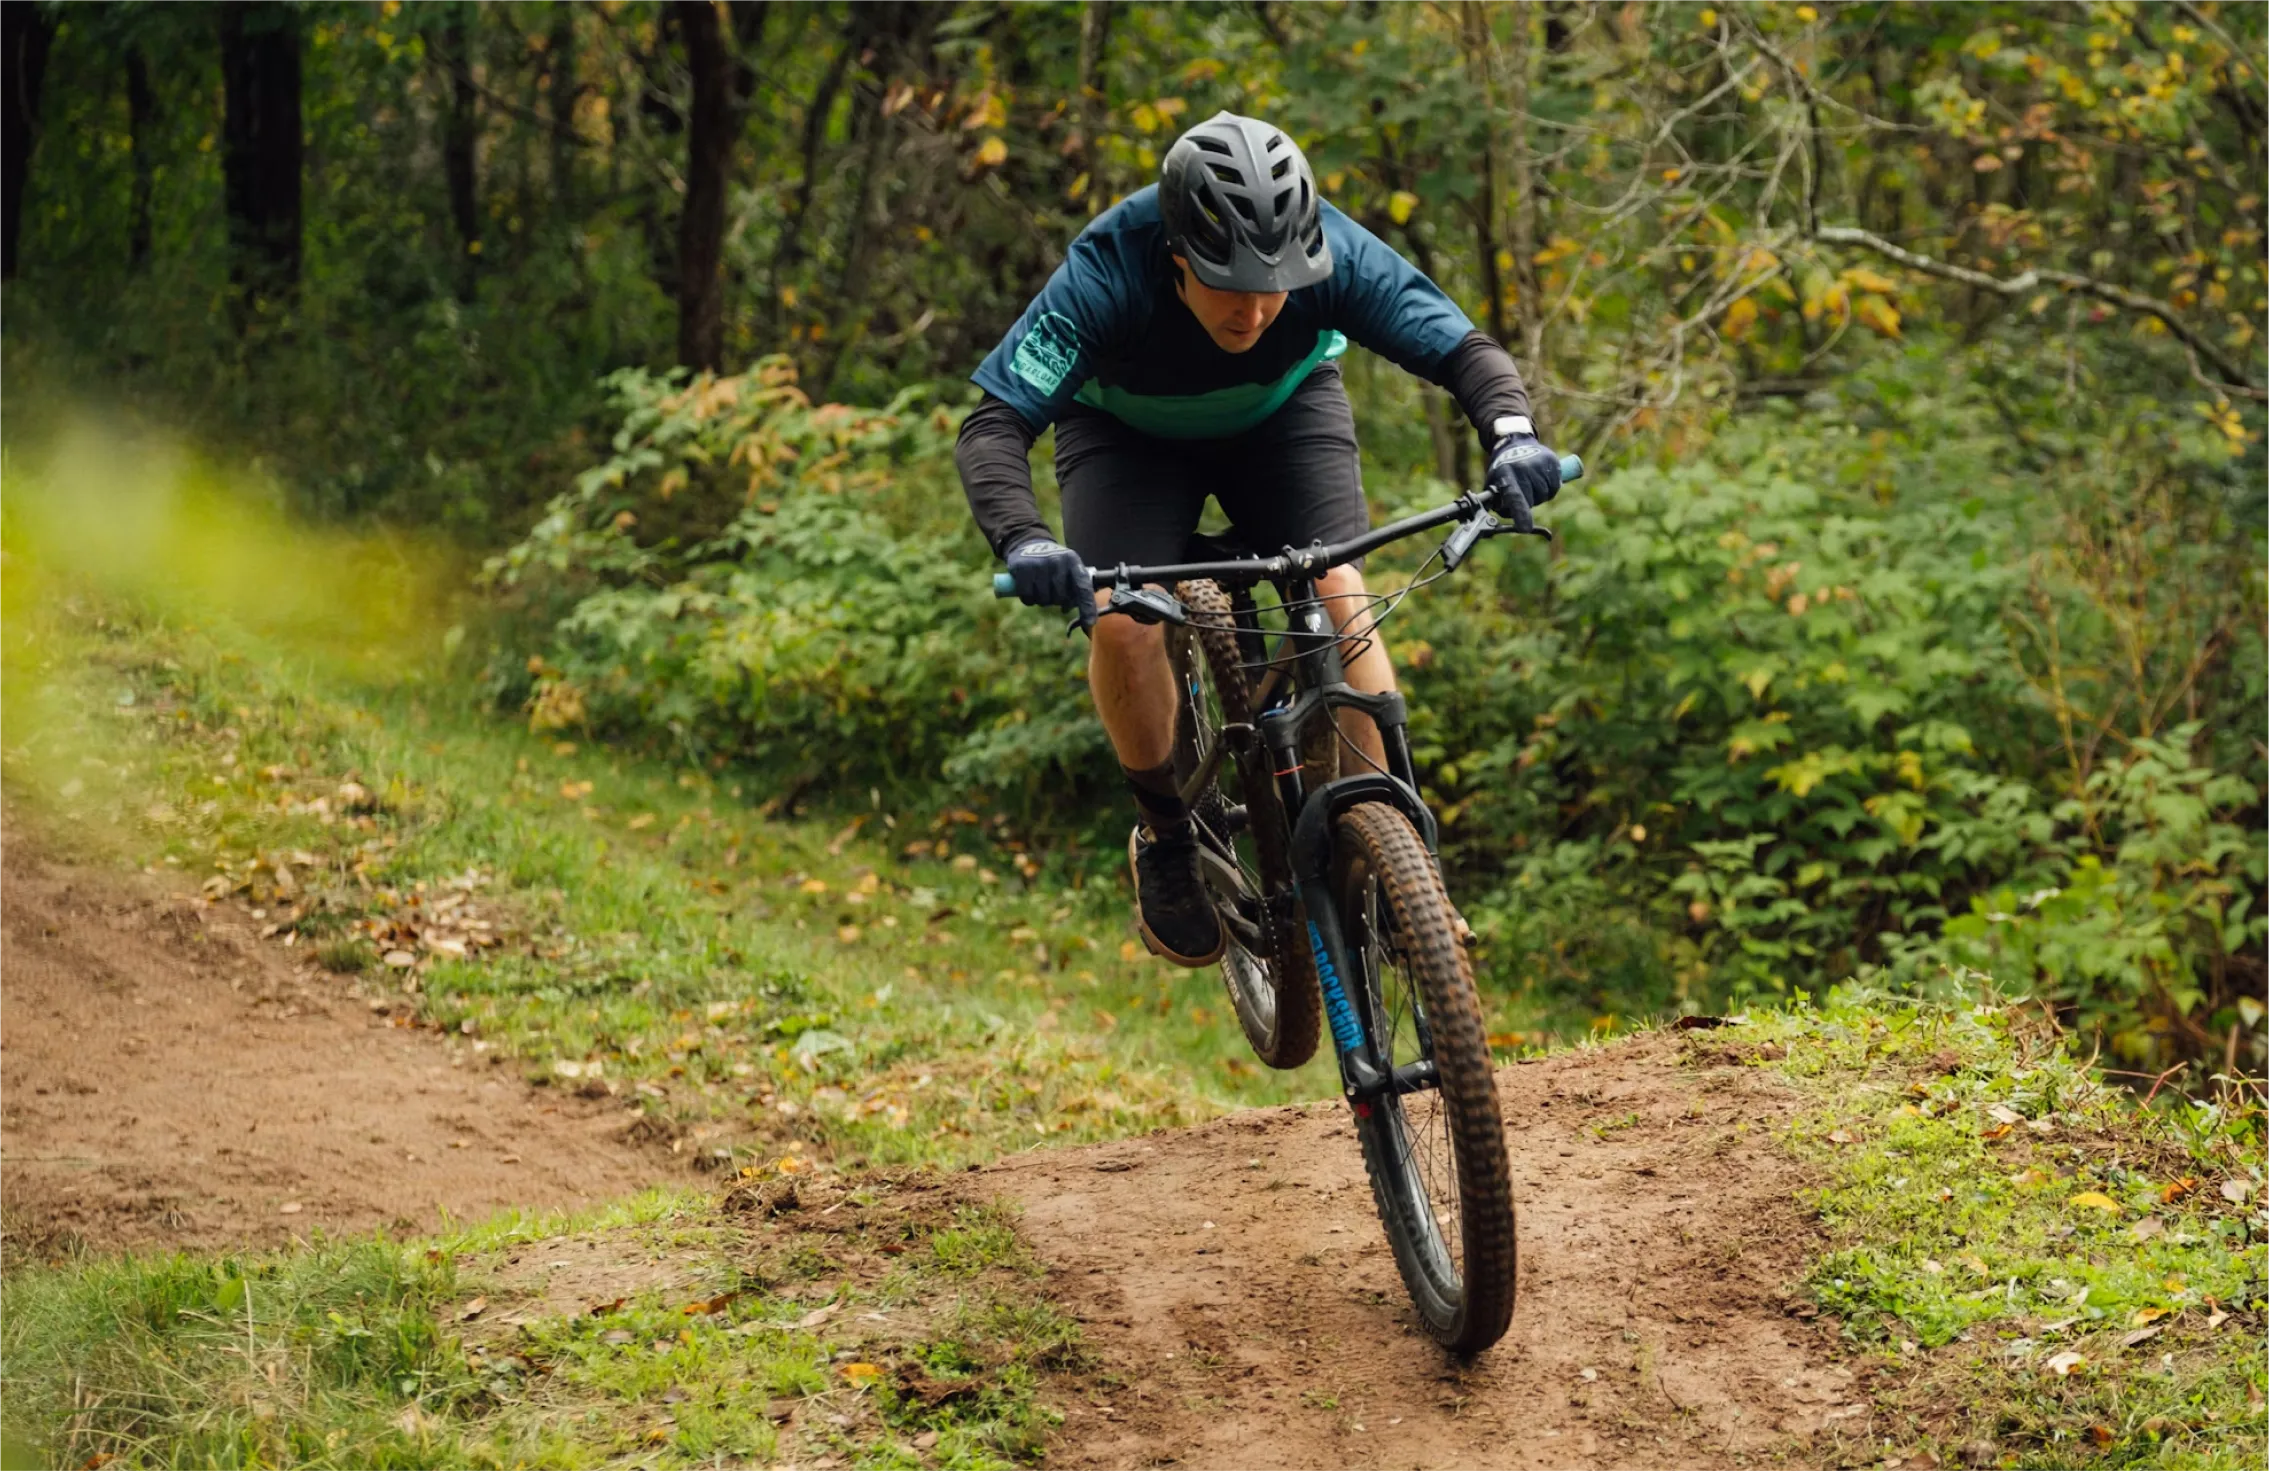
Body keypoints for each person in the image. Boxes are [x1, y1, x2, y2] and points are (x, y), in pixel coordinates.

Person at [955, 111, 1563, 968]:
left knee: (1339, 589)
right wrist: (1022, 540)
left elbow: (1461, 348)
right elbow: (993, 426)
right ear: (1175, 256)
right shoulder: (1104, 273)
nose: (1257, 305)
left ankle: (1394, 856)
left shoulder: (1333, 252)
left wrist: (1512, 434)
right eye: (1229, 282)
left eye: (1276, 282)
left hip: (1284, 414)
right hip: (1125, 437)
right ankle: (1168, 835)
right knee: (1122, 620)